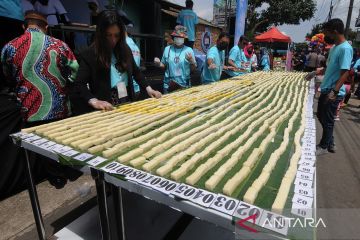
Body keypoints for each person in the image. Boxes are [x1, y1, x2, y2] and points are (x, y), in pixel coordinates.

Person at [1, 11, 81, 190]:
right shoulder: (59, 45)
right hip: (59, 106)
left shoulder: (10, 47)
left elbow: (7, 74)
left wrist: (18, 85)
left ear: (24, 26)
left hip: (30, 108)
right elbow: (75, 69)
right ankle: (68, 170)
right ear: (46, 27)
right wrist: (65, 84)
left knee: (42, 146)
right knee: (63, 140)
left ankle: (56, 178)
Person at [71, 10, 161, 114]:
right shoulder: (90, 54)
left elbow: (136, 72)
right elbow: (80, 84)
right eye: (108, 35)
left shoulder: (125, 49)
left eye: (117, 35)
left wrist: (149, 89)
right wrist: (93, 101)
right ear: (101, 34)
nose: (113, 40)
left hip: (127, 99)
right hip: (106, 104)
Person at [313, 19, 353, 155]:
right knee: (321, 116)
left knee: (327, 119)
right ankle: (330, 140)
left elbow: (345, 72)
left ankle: (324, 146)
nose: (326, 36)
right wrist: (316, 72)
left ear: (334, 31)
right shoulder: (335, 47)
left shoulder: (345, 48)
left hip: (333, 91)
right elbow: (329, 67)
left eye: (327, 33)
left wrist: (335, 91)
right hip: (326, 88)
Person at [154, 25, 196, 93]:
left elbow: (193, 70)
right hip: (168, 86)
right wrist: (158, 64)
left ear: (184, 38)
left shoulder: (189, 50)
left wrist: (192, 61)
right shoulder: (167, 49)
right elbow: (164, 65)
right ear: (174, 37)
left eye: (181, 37)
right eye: (177, 37)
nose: (178, 38)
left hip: (184, 86)